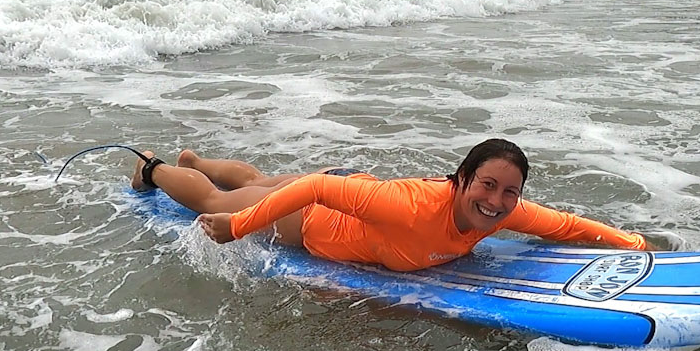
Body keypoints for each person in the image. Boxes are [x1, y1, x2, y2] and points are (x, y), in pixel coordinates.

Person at [130, 139, 659, 272]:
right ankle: (153, 168)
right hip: (311, 217)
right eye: (487, 186)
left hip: (349, 189)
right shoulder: (410, 208)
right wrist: (240, 225)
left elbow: (565, 226)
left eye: (510, 192)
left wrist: (632, 244)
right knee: (221, 198)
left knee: (259, 179)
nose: (498, 202)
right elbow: (314, 187)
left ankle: (196, 156)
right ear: (460, 180)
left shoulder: (499, 210)